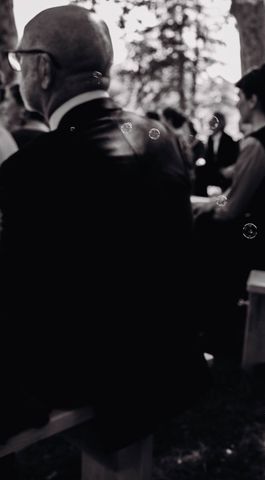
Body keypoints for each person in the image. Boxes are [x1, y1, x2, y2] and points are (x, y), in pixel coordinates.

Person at [0, 5, 211, 450]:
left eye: (19, 61)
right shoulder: (161, 138)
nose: (14, 74)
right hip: (172, 357)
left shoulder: (34, 168)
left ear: (41, 68)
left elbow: (19, 299)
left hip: (96, 378)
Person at [192, 62, 265, 361]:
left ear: (253, 100)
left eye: (240, 97)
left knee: (202, 240)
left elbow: (232, 208)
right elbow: (235, 197)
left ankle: (215, 336)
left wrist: (202, 209)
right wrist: (208, 204)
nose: (237, 103)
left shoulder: (257, 143)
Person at [195, 111, 239, 195]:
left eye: (213, 121)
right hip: (214, 170)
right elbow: (208, 158)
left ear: (220, 123)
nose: (210, 123)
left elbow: (232, 158)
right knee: (200, 170)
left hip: (225, 169)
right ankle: (201, 197)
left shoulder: (229, 140)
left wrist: (225, 169)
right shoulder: (210, 139)